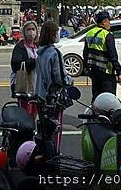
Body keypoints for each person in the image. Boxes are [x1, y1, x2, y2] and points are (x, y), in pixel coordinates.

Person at [34, 20, 72, 150]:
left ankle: (44, 153)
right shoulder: (54, 53)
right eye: (56, 33)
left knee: (44, 129)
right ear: (52, 35)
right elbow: (60, 78)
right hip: (53, 98)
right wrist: (70, 81)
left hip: (41, 95)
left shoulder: (40, 52)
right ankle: (54, 155)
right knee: (55, 129)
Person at [83, 11, 121, 102]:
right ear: (104, 22)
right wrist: (119, 72)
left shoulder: (89, 33)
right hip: (106, 72)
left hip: (94, 71)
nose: (110, 23)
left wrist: (86, 68)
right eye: (109, 21)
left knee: (96, 96)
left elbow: (85, 53)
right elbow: (113, 55)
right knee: (109, 98)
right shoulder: (107, 35)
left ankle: (95, 114)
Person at [11, 20, 39, 115]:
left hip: (36, 85)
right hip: (24, 85)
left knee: (34, 113)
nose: (31, 32)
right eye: (28, 30)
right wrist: (31, 63)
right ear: (24, 32)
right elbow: (16, 66)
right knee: (25, 112)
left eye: (33, 29)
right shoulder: (20, 47)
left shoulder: (38, 46)